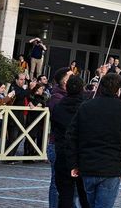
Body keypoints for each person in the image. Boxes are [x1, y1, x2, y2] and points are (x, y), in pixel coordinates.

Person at [66, 73, 121, 208]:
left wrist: (73, 163)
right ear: (118, 90)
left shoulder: (86, 106)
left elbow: (71, 136)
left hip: (88, 165)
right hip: (111, 168)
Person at [51, 76, 90, 208]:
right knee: (85, 196)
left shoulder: (58, 107)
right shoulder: (86, 108)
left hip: (63, 153)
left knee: (65, 195)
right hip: (81, 155)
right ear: (82, 89)